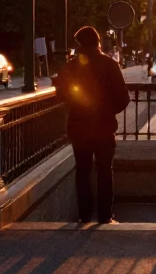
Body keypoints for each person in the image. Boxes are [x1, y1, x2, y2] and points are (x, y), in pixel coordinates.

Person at [54, 25, 130, 224]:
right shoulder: (110, 65)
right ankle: (105, 216)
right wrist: (106, 111)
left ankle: (84, 215)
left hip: (79, 126)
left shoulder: (71, 66)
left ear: (79, 43)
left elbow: (61, 93)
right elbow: (123, 98)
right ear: (98, 42)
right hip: (104, 127)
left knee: (83, 171)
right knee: (105, 171)